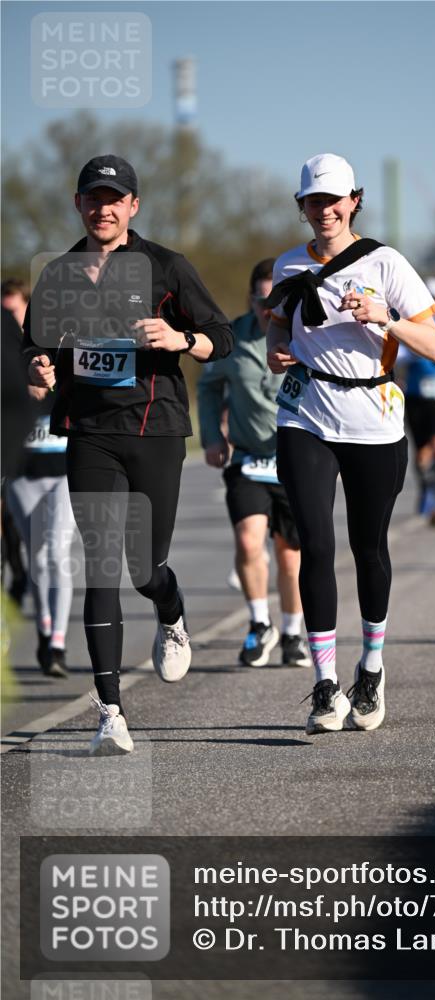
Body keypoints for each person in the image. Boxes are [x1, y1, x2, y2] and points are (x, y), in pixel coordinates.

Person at [23, 155, 233, 754]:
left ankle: (171, 610)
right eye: (94, 197)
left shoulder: (166, 267)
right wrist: (35, 367)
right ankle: (110, 711)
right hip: (89, 433)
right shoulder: (60, 274)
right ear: (78, 204)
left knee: (143, 567)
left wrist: (182, 338)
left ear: (133, 206)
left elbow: (223, 334)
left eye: (115, 198)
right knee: (101, 565)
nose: (104, 207)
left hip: (156, 429)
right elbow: (32, 345)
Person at [265, 153, 435, 734]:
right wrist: (275, 348)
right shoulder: (289, 265)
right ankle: (323, 687)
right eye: (314, 202)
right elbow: (278, 320)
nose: (325, 211)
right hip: (305, 414)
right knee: (315, 543)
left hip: (373, 418)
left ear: (354, 201)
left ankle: (370, 669)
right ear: (303, 207)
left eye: (335, 200)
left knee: (369, 547)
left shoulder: (386, 262)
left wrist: (384, 317)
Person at [197, 258, 310, 668]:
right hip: (246, 459)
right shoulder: (229, 339)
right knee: (248, 541)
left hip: (294, 460)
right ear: (250, 298)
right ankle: (260, 624)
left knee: (290, 556)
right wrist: (212, 437)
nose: (268, 309)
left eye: (276, 300)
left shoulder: (305, 336)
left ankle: (293, 632)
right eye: (262, 300)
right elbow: (209, 388)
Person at [6, 383, 76, 677]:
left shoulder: (68, 342)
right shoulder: (6, 348)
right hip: (23, 475)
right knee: (36, 554)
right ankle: (45, 628)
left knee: (57, 553)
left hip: (66, 473)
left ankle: (57, 646)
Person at [399, 276, 435, 526]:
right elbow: (398, 353)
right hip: (415, 393)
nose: (433, 302)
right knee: (421, 452)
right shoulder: (410, 319)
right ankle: (426, 488)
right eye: (428, 297)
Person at [1, 282, 32, 608]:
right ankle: (17, 575)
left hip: (35, 451)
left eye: (13, 309)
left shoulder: (41, 342)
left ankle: (24, 574)